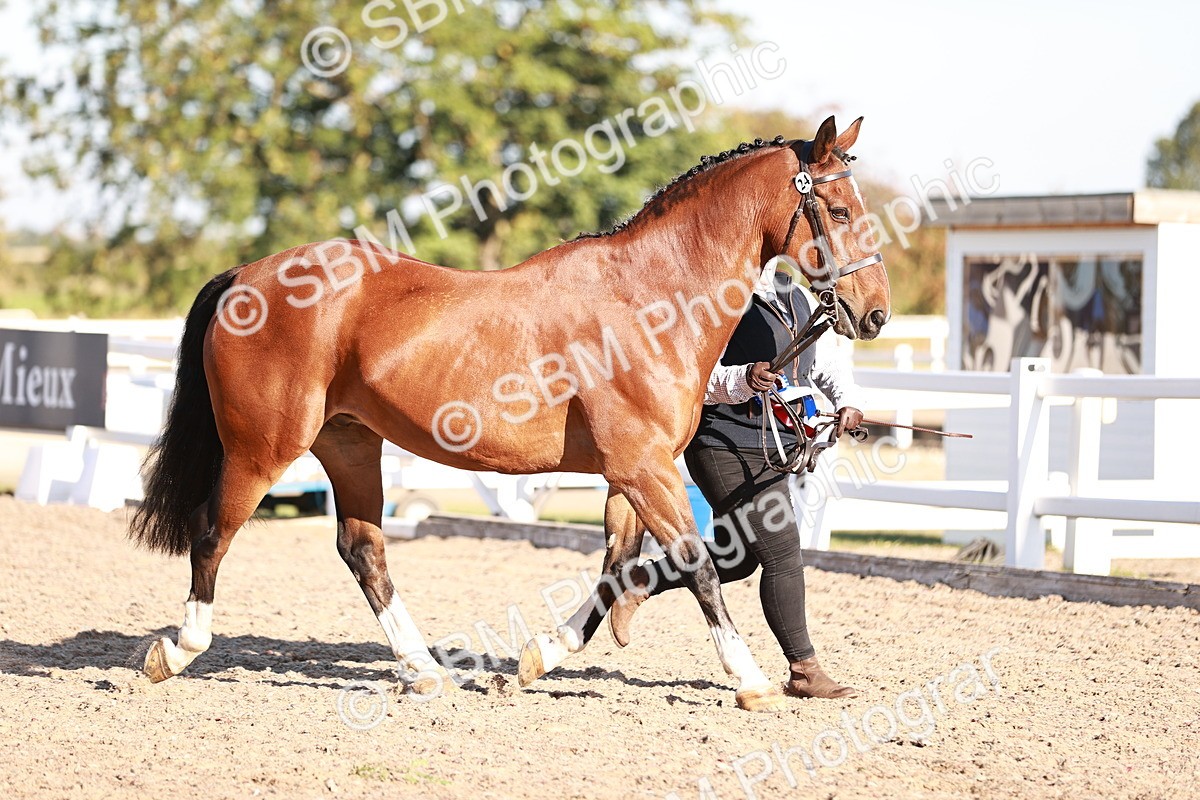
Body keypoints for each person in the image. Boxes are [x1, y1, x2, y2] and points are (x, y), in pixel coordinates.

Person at [609, 258, 864, 699]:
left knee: (740, 557)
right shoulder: (716, 300)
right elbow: (690, 378)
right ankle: (803, 670)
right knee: (783, 551)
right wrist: (744, 378)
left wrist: (848, 401)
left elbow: (821, 366)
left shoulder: (798, 296)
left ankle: (642, 581)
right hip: (721, 442)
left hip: (772, 445)